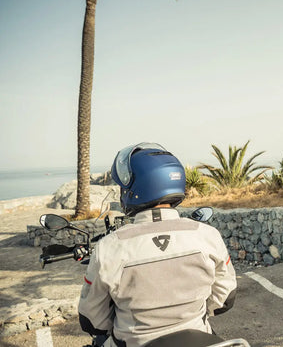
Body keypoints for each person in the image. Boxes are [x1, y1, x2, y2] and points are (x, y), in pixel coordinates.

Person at [77, 143, 237, 347]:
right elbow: (225, 297)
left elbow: (92, 320)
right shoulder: (207, 235)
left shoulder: (110, 247)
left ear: (134, 188)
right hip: (200, 337)